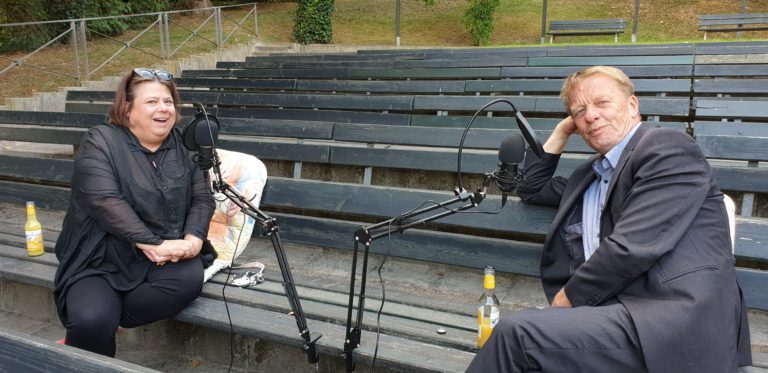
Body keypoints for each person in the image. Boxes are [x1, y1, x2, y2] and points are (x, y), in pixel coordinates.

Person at [467, 66, 751, 372]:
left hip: (670, 322)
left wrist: (565, 302)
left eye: (602, 103)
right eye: (579, 111)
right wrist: (562, 131)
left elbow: (632, 248)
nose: (590, 116)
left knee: (516, 334)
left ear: (632, 105)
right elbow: (531, 188)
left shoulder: (666, 148)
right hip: (615, 316)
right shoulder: (589, 176)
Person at [52, 68, 216, 357]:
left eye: (168, 102)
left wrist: (194, 240)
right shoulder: (100, 140)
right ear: (127, 109)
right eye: (152, 102)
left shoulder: (185, 145)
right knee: (91, 321)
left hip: (166, 256)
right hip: (100, 257)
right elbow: (103, 199)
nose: (164, 108)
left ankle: (108, 318)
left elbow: (202, 199)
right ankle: (97, 325)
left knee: (188, 280)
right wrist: (151, 243)